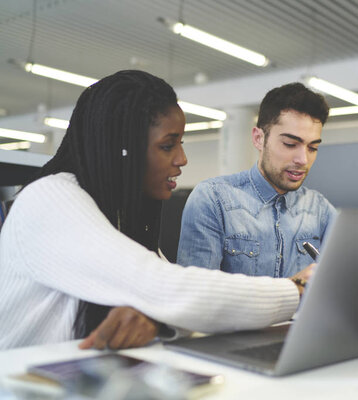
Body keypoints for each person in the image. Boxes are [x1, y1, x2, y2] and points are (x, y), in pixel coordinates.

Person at [0, 70, 311, 351]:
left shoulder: (119, 212)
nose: (182, 159)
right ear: (122, 148)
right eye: (167, 145)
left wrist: (156, 318)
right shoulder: (50, 199)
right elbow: (167, 289)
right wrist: (296, 289)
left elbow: (168, 300)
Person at [177, 82, 336, 277]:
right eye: (290, 144)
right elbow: (197, 295)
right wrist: (292, 289)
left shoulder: (320, 209)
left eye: (313, 148)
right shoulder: (213, 199)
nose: (303, 160)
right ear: (259, 139)